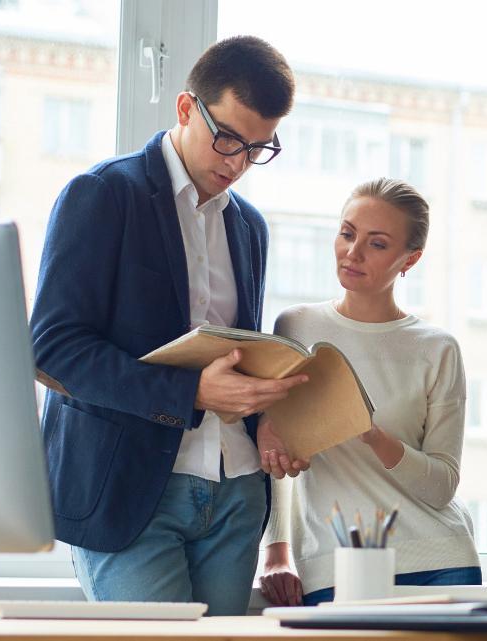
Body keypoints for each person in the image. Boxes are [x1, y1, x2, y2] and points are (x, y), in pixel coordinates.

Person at [30, 35, 309, 615]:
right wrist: (191, 393)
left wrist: (267, 422)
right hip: (128, 491)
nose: (237, 163)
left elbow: (235, 352)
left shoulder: (249, 227)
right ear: (186, 109)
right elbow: (52, 349)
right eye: (228, 138)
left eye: (258, 148)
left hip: (234, 493)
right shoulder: (103, 195)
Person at [257, 177, 481, 606]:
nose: (352, 252)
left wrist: (370, 432)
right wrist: (276, 550)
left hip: (439, 561)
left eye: (377, 244)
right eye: (347, 233)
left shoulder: (437, 349)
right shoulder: (296, 327)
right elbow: (278, 454)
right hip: (335, 565)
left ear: (409, 260)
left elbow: (442, 486)